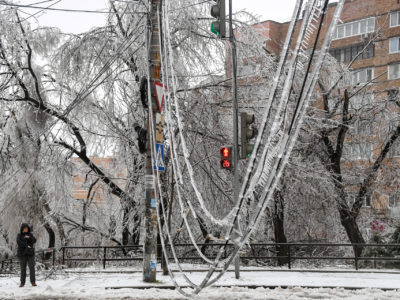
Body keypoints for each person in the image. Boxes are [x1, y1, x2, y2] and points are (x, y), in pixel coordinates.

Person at [16, 223, 37, 287]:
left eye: (27, 228)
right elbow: (19, 243)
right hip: (22, 254)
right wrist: (26, 246)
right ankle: (22, 282)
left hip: (30, 254)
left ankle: (33, 282)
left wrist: (29, 237)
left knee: (32, 268)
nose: (25, 229)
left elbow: (34, 240)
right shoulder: (19, 235)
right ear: (22, 229)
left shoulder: (30, 235)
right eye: (24, 228)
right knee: (23, 269)